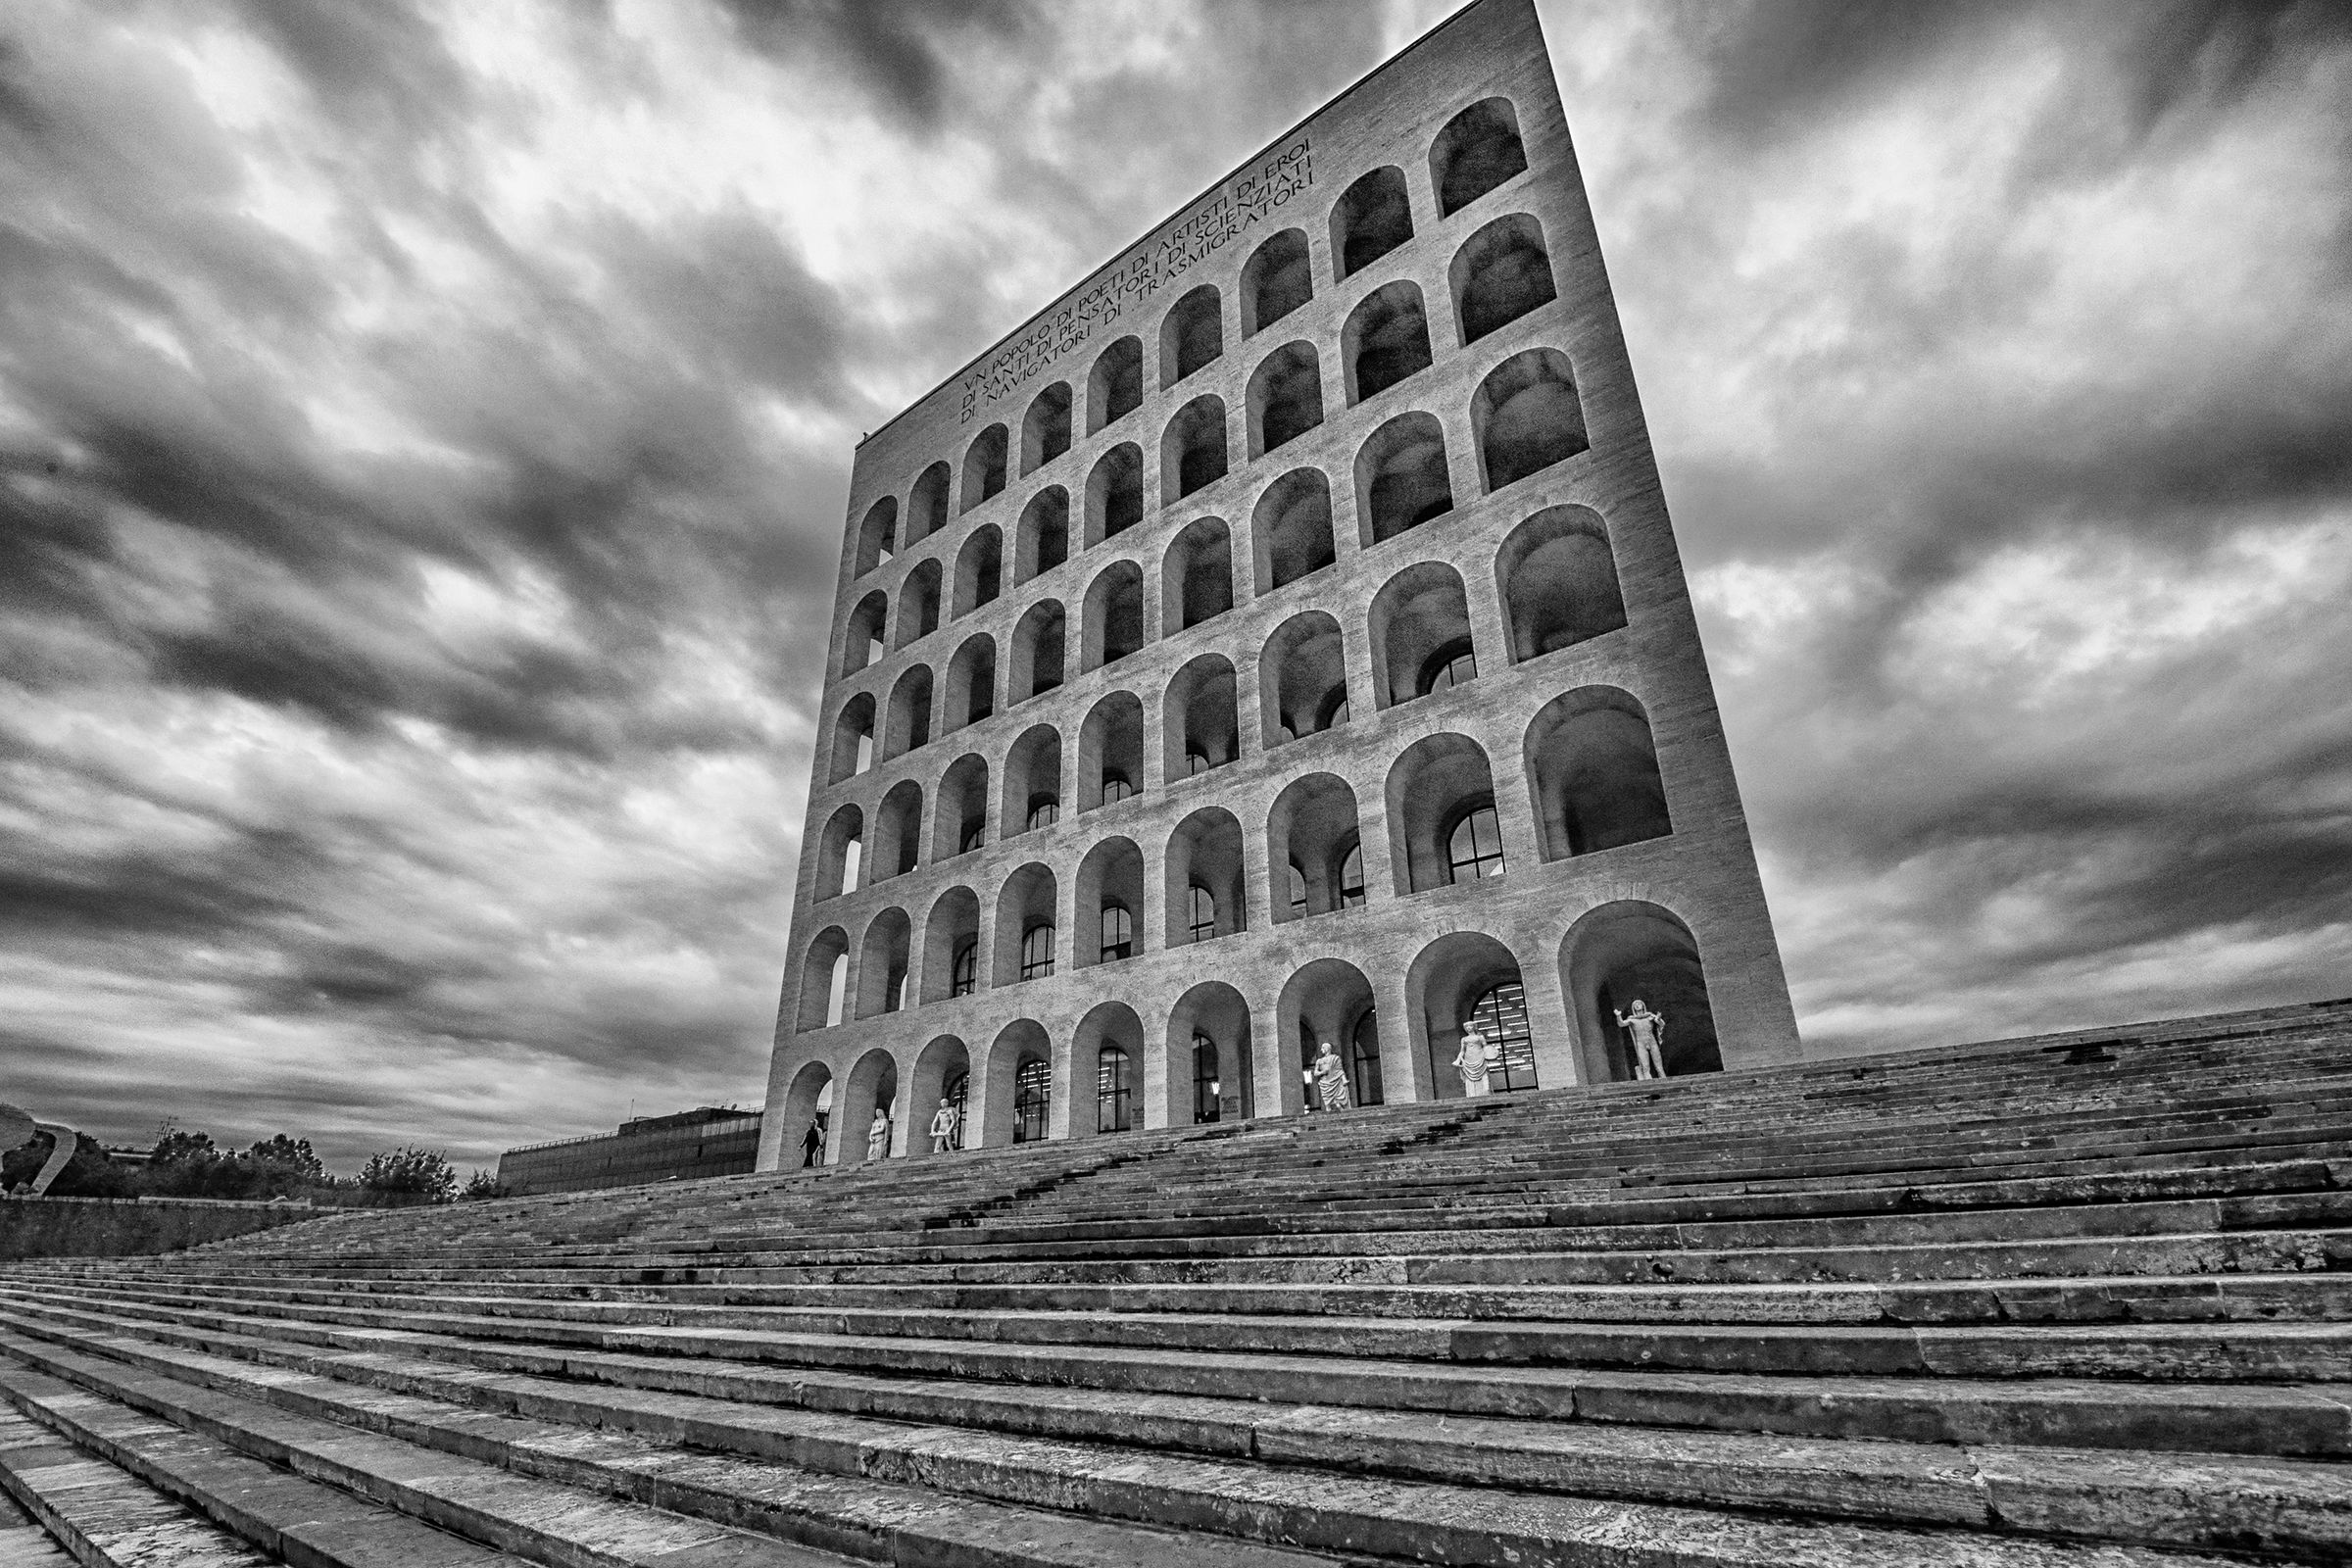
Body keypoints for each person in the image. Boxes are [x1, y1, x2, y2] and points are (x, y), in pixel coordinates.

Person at [1617, 999, 1667, 1080]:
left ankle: (1664, 1080)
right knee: (1645, 1066)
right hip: (1640, 1043)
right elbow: (1621, 1024)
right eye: (1635, 1004)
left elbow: (1662, 1024)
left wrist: (1658, 1019)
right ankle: (1648, 1082)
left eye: (1639, 1004)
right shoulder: (1632, 1019)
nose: (1637, 1005)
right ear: (1633, 1008)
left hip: (1652, 1041)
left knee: (1659, 1065)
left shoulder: (1649, 1016)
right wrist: (1618, 1016)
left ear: (1643, 1006)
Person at [1311, 1040, 1352, 1112]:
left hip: (1335, 1081)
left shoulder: (1335, 1058)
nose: (1321, 1050)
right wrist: (1322, 1072)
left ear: (1327, 1049)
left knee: (1338, 1101)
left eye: (1323, 1048)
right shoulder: (1319, 1061)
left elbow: (1339, 1070)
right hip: (1325, 1083)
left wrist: (1343, 1079)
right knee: (1327, 1104)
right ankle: (1330, 1108)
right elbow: (1315, 1073)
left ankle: (1338, 1105)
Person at [1452, 1025, 1492, 1097]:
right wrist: (1458, 1060)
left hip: (1479, 1057)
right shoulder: (1464, 1039)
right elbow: (1462, 1050)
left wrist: (1490, 1055)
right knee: (1470, 1077)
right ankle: (1472, 1094)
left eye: (1470, 1026)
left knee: (1483, 1075)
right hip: (1469, 1058)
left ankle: (1485, 1092)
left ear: (1474, 1027)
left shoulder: (1480, 1037)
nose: (1468, 1028)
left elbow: (1486, 1047)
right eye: (1466, 1027)